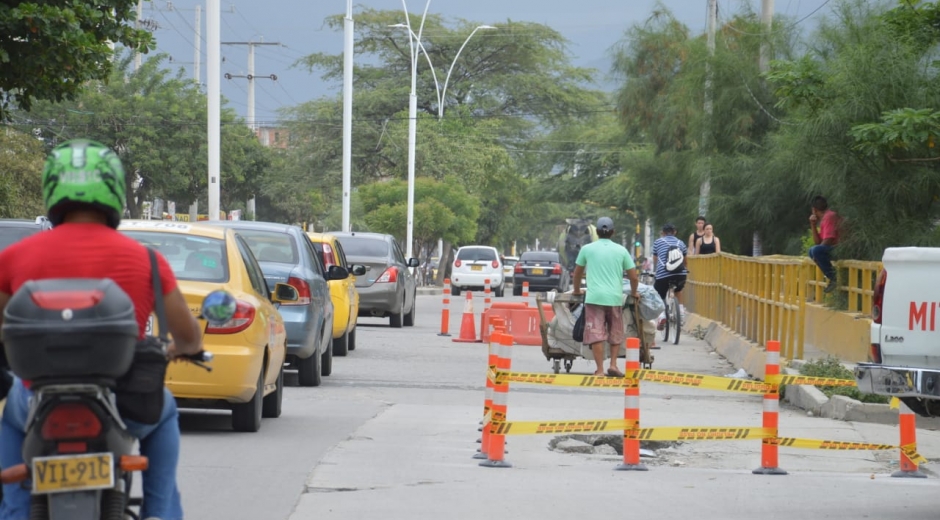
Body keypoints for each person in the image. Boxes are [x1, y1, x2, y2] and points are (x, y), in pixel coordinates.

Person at [0, 139, 204, 520]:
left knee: (11, 410)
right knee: (166, 411)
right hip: (123, 404)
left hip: (36, 404)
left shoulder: (15, 256)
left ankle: (13, 511)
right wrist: (174, 350)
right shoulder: (147, 260)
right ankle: (159, 511)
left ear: (52, 188)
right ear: (115, 190)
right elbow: (190, 338)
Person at [571, 217, 639, 377]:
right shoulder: (621, 251)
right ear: (613, 232)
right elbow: (634, 277)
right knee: (615, 332)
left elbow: (577, 273)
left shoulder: (587, 249)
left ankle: (600, 369)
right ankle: (613, 365)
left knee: (596, 334)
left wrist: (576, 290)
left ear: (597, 233)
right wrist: (634, 292)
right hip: (614, 298)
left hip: (594, 299)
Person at [652, 223, 689, 323]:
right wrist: (685, 269)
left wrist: (657, 271)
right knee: (678, 290)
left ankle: (662, 315)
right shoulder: (680, 243)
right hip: (680, 274)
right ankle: (681, 313)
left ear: (663, 233)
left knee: (659, 293)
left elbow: (655, 259)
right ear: (675, 232)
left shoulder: (658, 242)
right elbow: (685, 261)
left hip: (663, 275)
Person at [808, 195, 841, 293]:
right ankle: (832, 277)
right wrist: (813, 225)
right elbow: (818, 242)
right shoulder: (826, 217)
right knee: (812, 251)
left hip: (841, 248)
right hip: (834, 248)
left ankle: (833, 278)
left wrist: (817, 253)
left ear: (814, 210)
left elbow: (829, 239)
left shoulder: (829, 216)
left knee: (816, 250)